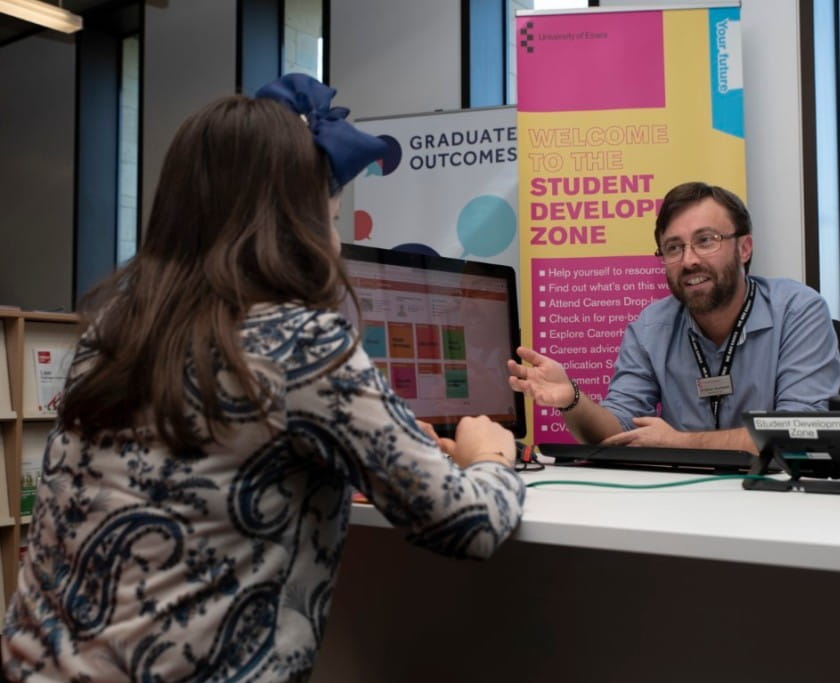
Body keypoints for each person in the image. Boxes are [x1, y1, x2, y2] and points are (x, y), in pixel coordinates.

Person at [2, 74, 524, 682]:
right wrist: (490, 457)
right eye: (328, 218)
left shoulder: (111, 331)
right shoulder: (303, 343)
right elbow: (466, 524)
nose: (334, 241)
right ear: (290, 228)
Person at [508, 181, 840, 454]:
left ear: (744, 248)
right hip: (679, 503)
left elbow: (800, 430)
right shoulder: (650, 329)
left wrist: (679, 443)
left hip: (779, 500)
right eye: (673, 247)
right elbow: (620, 430)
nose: (689, 260)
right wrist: (572, 400)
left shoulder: (797, 311)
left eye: (706, 241)